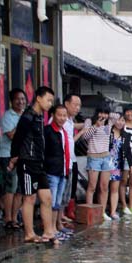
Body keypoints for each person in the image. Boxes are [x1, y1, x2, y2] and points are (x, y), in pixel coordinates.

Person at [8, 86, 56, 243]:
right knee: (29, 198)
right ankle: (29, 233)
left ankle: (49, 232)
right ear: (38, 98)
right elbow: (17, 139)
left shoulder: (40, 116)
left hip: (39, 163)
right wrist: (14, 158)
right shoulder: (27, 117)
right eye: (48, 100)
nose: (50, 104)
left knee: (47, 197)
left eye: (51, 101)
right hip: (27, 162)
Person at [0, 88, 26, 230]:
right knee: (10, 188)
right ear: (11, 101)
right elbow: (11, 136)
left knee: (20, 189)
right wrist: (22, 124)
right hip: (8, 155)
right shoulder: (7, 116)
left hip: (22, 156)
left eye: (23, 99)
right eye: (17, 99)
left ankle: (15, 218)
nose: (21, 102)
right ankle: (7, 218)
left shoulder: (26, 115)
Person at [44, 105, 71, 240]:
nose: (62, 118)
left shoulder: (64, 132)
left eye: (64, 115)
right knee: (50, 202)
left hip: (63, 171)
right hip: (51, 171)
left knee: (57, 203)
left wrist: (66, 170)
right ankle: (49, 230)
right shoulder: (48, 131)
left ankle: (54, 228)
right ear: (53, 115)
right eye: (59, 115)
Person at [81, 105, 112, 221]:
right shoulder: (89, 121)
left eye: (105, 113)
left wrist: (109, 116)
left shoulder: (109, 123)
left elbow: (117, 115)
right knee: (92, 186)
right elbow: (85, 137)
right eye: (101, 113)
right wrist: (95, 126)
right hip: (93, 157)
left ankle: (102, 212)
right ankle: (89, 212)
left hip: (106, 157)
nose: (103, 116)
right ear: (97, 113)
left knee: (104, 186)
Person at [108, 113, 132, 220]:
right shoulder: (108, 132)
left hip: (117, 165)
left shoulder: (126, 135)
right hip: (105, 163)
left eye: (122, 120)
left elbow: (128, 150)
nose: (120, 122)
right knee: (103, 188)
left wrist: (131, 164)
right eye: (118, 120)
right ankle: (103, 210)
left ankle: (113, 212)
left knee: (114, 188)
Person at [62, 94, 83, 222]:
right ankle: (62, 214)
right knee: (63, 187)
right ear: (66, 104)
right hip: (63, 160)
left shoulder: (70, 121)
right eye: (75, 105)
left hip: (72, 158)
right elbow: (69, 142)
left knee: (72, 186)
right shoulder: (62, 121)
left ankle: (69, 211)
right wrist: (81, 133)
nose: (77, 108)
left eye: (79, 105)